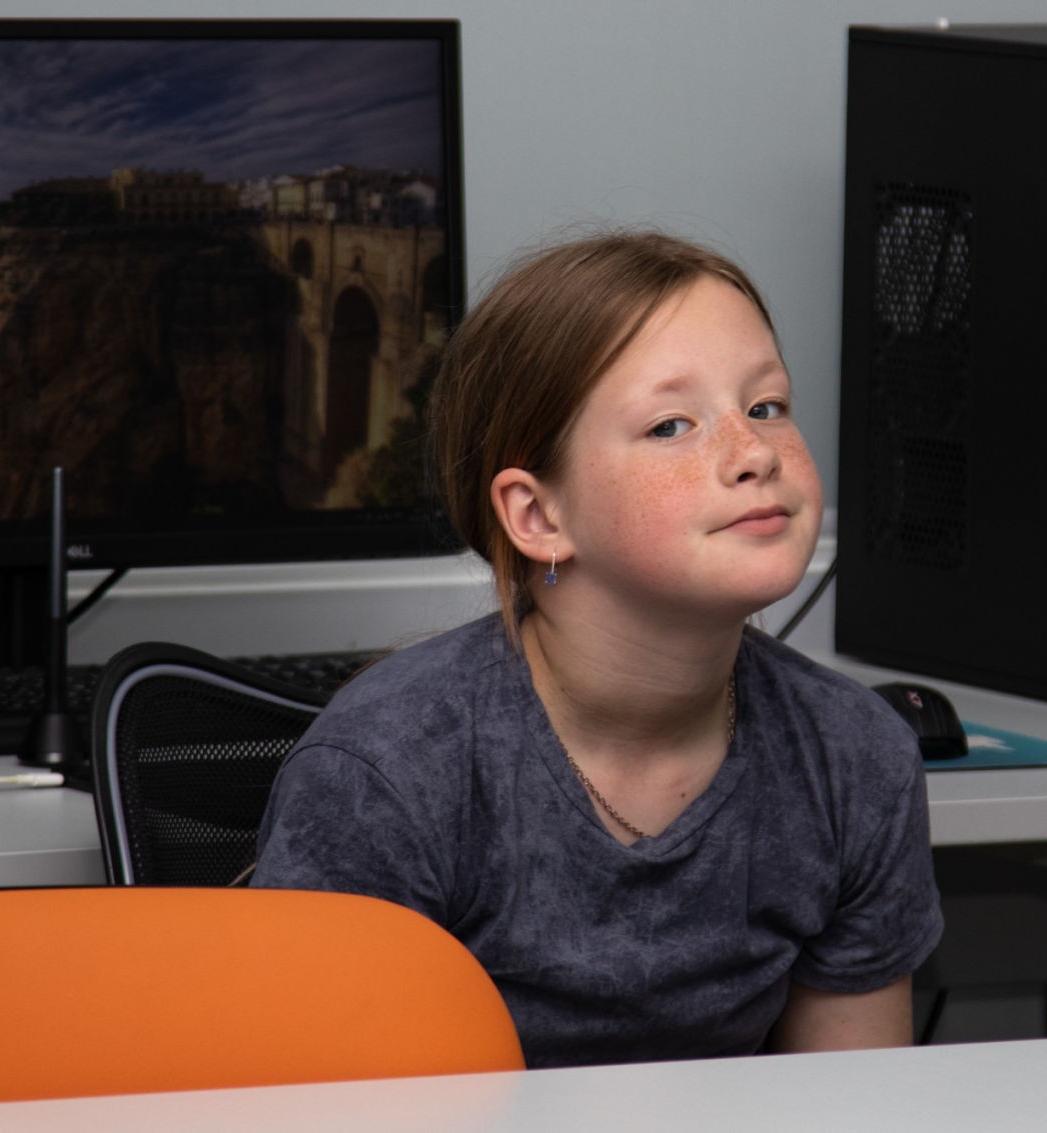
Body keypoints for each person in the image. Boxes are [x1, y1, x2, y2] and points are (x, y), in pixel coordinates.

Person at [251, 229, 942, 1068]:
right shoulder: (388, 772)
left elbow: (850, 1104)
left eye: (766, 406)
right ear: (539, 516)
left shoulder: (857, 758)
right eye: (671, 424)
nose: (756, 453)